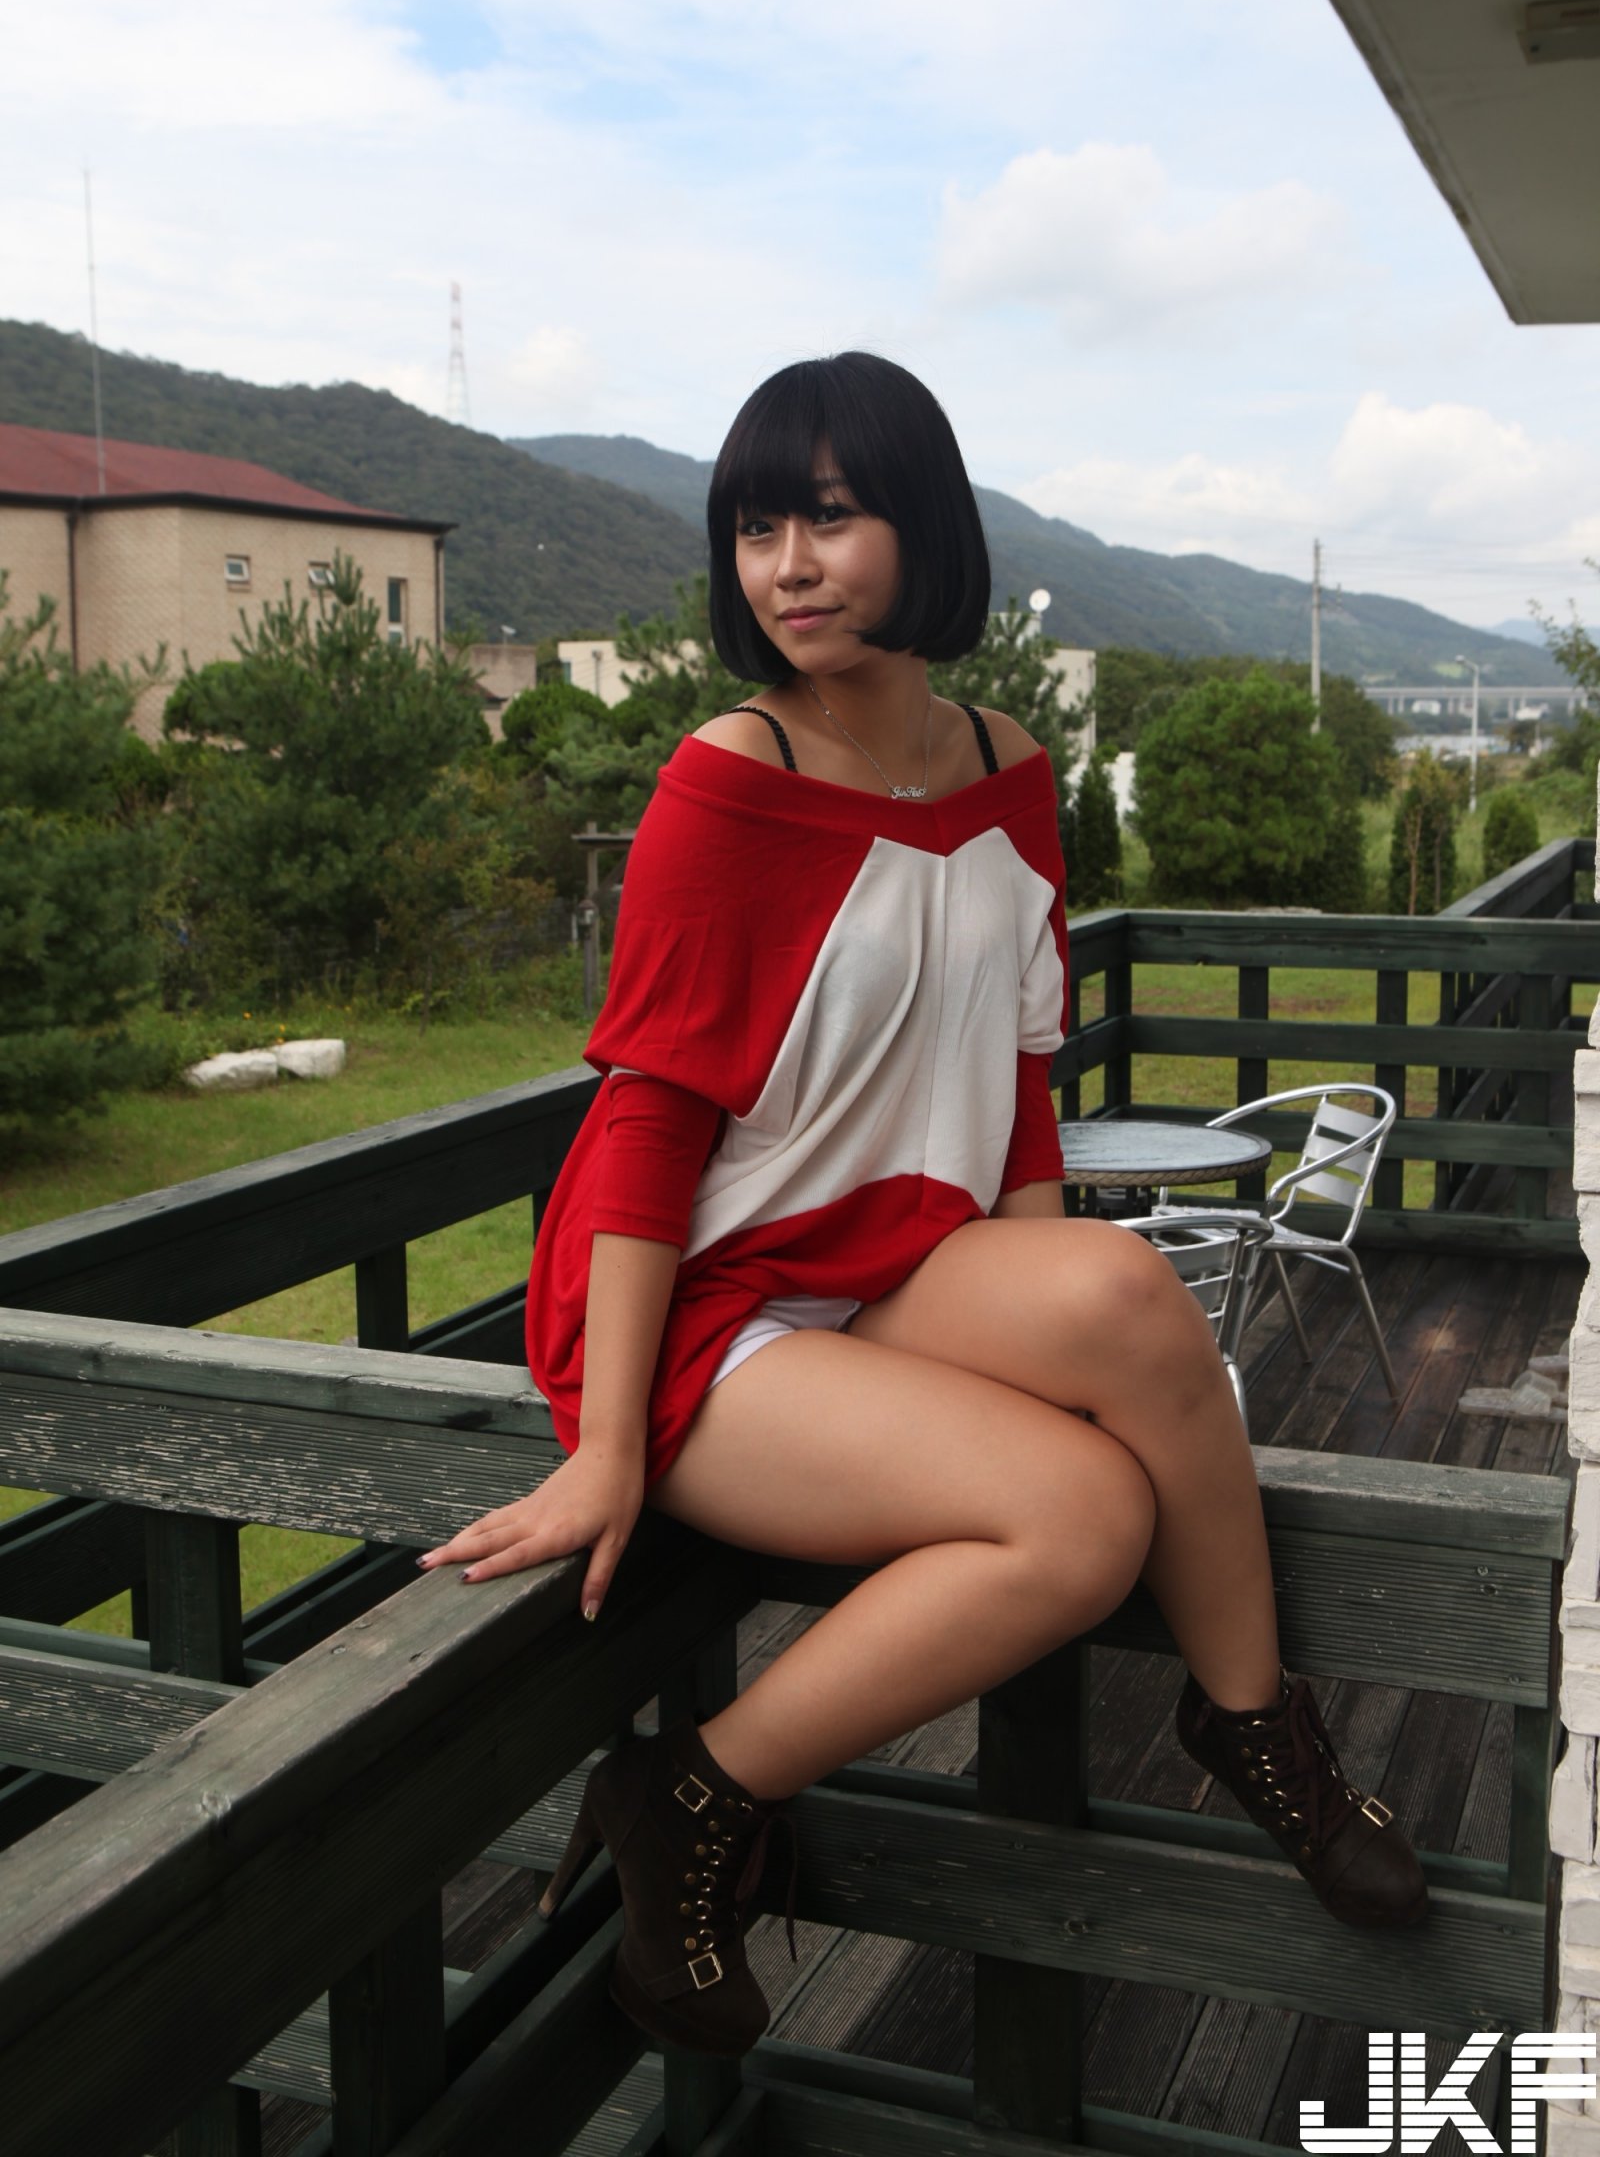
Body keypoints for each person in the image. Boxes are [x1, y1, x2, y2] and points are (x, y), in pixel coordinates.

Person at [419, 351, 1426, 2056]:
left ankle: (1255, 1722)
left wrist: (1036, 1325)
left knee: (1126, 1297)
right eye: (755, 530)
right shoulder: (727, 778)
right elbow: (650, 1123)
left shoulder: (1006, 767)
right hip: (711, 1306)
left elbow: (1021, 1071)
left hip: (901, 1261)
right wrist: (607, 1448)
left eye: (828, 517)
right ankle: (692, 1793)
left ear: (924, 524)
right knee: (1083, 1518)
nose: (787, 567)